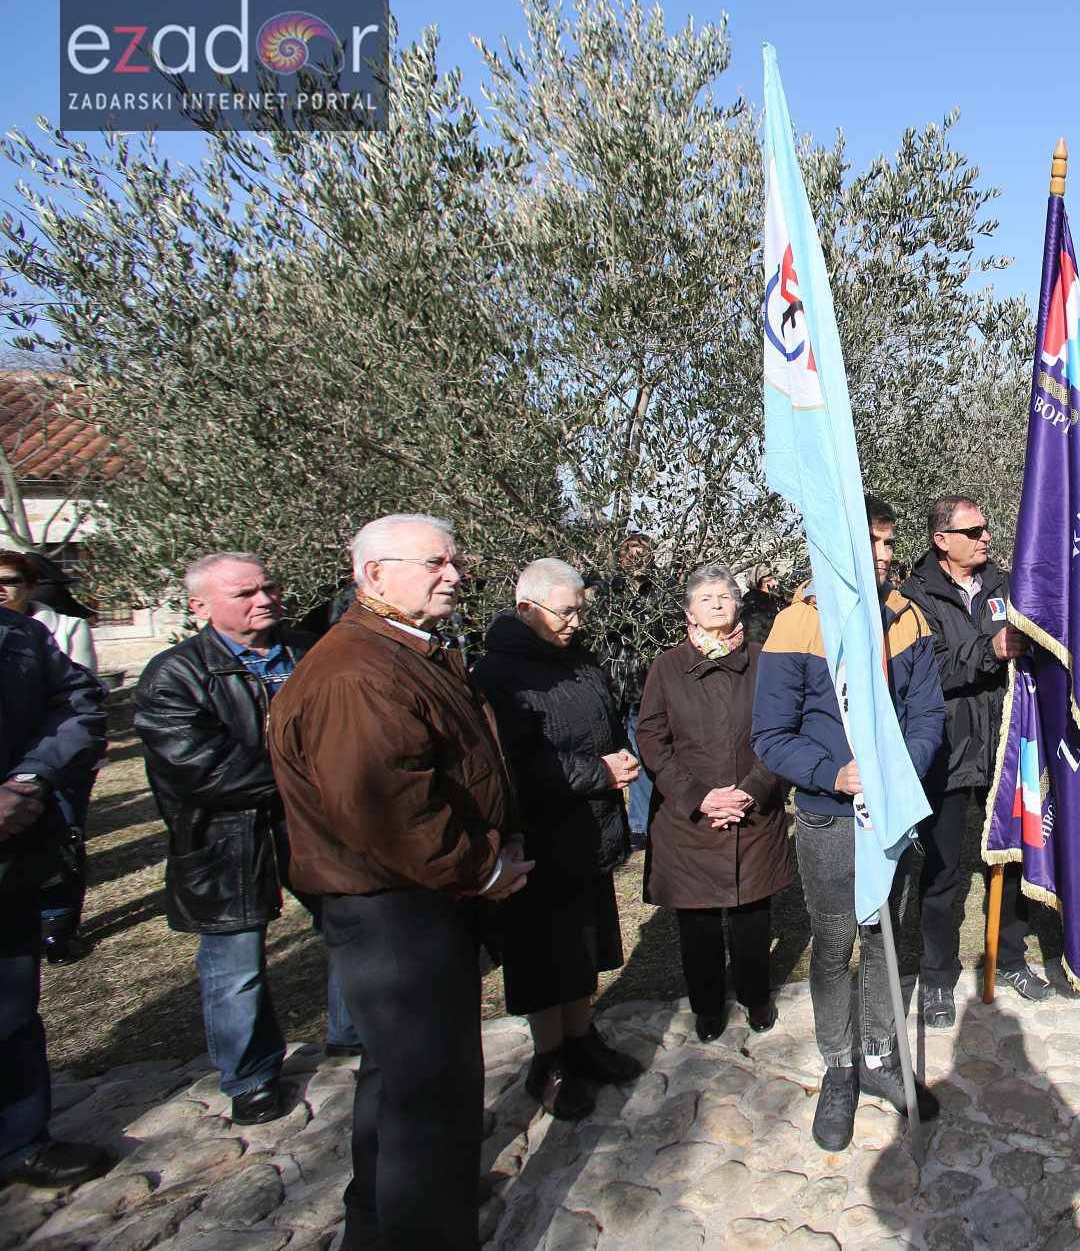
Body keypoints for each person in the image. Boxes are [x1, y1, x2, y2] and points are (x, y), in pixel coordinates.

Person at [269, 514, 532, 1250]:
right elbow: (390, 812)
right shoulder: (358, 672)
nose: (455, 575)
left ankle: (381, 1221)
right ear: (374, 574)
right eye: (435, 563)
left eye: (455, 561)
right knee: (431, 1093)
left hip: (409, 901)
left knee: (401, 1077)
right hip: (395, 908)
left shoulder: (401, 649)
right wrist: (483, 868)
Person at [132, 552, 355, 1128]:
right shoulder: (174, 674)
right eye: (245, 594)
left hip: (318, 825)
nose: (265, 600)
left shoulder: (314, 650)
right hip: (226, 839)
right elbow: (202, 771)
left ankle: (352, 1036)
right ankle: (252, 1077)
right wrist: (318, 776)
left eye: (269, 587)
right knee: (235, 963)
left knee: (351, 927)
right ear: (200, 606)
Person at [751, 494, 946, 1152]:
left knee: (885, 937)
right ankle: (839, 1066)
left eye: (890, 542)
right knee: (834, 944)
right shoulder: (796, 624)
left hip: (891, 812)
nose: (887, 555)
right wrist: (832, 773)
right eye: (874, 542)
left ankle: (881, 1055)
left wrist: (898, 769)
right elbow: (770, 735)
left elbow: (928, 714)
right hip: (829, 817)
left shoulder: (907, 617)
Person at [472, 559, 644, 1120]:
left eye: (580, 611)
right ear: (527, 609)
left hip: (586, 832)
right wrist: (600, 771)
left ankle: (581, 1038)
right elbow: (512, 764)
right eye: (565, 612)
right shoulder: (499, 674)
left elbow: (602, 722)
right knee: (545, 959)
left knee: (581, 950)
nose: (576, 622)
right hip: (539, 841)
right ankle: (549, 1059)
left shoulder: (577, 657)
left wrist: (618, 757)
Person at [900, 497, 1042, 1028]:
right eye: (973, 530)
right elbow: (929, 668)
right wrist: (991, 649)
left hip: (1008, 746)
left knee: (1013, 858)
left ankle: (1010, 958)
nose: (986, 537)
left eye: (986, 528)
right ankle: (937, 976)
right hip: (948, 751)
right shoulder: (915, 597)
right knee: (941, 872)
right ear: (942, 540)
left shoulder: (1006, 586)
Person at [634, 565, 791, 1043]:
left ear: (738, 605)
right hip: (688, 819)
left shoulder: (765, 661)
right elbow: (652, 738)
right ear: (689, 613)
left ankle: (756, 996)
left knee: (751, 914)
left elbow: (784, 728)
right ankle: (706, 1005)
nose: (717, 604)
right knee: (697, 921)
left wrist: (752, 789)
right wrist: (699, 796)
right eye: (705, 598)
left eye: (724, 596)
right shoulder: (666, 667)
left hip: (752, 810)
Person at [0, 601, 109, 1189]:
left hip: (11, 855)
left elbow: (77, 704)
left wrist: (29, 779)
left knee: (10, 1010)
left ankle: (18, 1140)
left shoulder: (19, 635)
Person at [1, 552, 97, 965]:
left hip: (34, 794)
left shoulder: (29, 634)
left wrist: (28, 779)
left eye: (9, 580)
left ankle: (58, 925)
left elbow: (77, 702)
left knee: (62, 843)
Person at [591, 534, 664, 845]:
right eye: (631, 553)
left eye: (641, 553)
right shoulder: (610, 590)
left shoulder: (662, 591)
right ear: (621, 558)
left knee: (640, 755)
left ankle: (641, 825)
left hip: (641, 687)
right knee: (608, 756)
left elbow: (661, 632)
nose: (636, 558)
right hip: (611, 685)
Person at [738, 561, 783, 647]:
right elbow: (756, 644)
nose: (775, 583)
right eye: (769, 580)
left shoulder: (777, 601)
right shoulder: (752, 611)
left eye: (775, 578)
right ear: (757, 585)